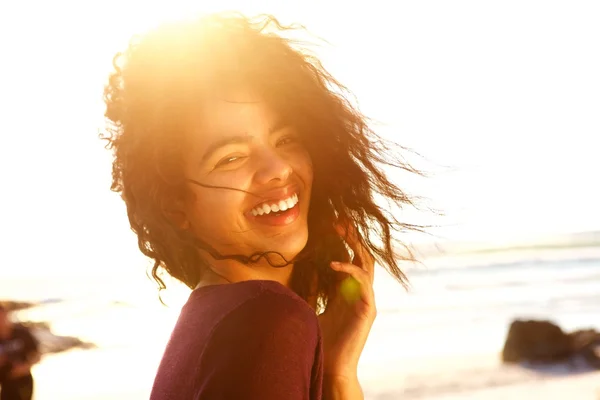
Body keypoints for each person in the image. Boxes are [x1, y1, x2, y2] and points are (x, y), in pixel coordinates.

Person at [103, 13, 418, 400]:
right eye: (231, 158)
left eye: (286, 138)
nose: (278, 169)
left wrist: (336, 372)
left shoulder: (212, 319)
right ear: (175, 205)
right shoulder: (267, 321)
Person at [0, 305, 39, 400]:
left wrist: (25, 367)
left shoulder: (21, 333)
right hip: (5, 382)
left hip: (24, 381)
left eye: (2, 316)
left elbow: (37, 355)